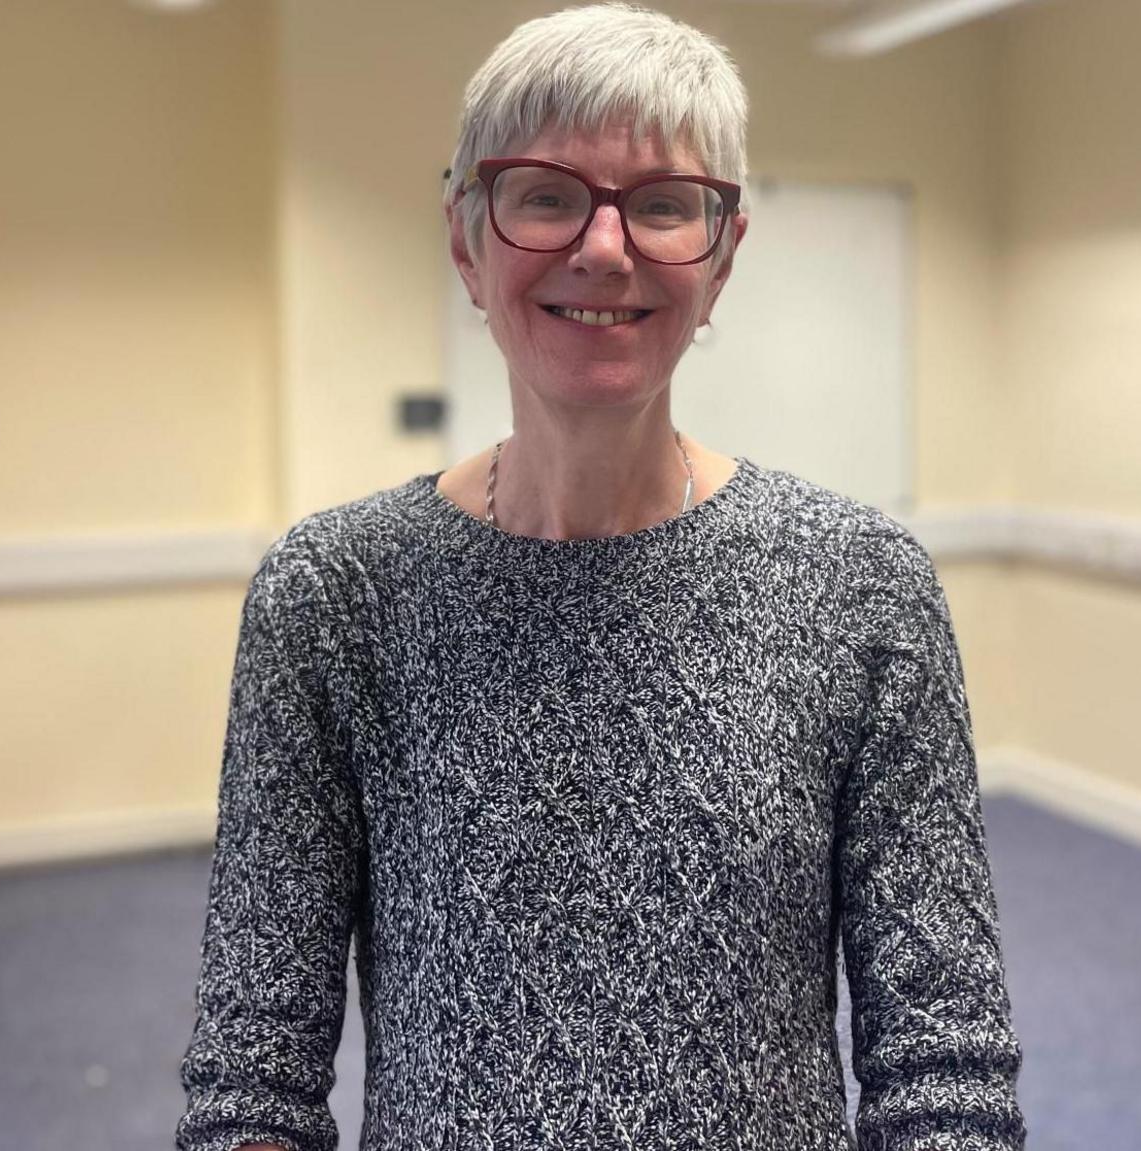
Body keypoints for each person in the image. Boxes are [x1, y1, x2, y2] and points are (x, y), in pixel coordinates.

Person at [174, 4, 1028, 1149]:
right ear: (464, 241)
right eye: (544, 193)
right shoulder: (335, 595)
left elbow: (944, 1066)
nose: (605, 248)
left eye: (664, 204)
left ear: (720, 260)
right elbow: (252, 1077)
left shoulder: (859, 586)